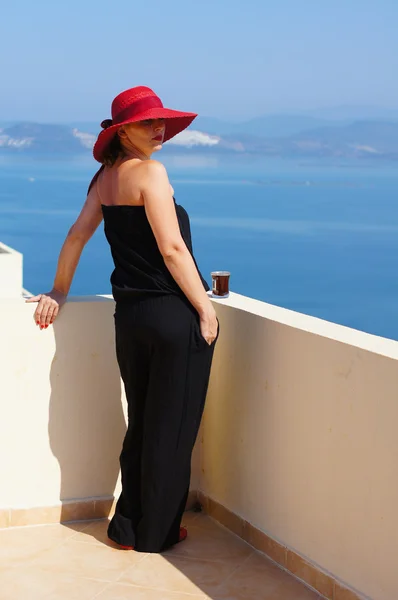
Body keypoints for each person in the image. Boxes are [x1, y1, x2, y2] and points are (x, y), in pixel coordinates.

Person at [26, 85, 220, 553]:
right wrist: (205, 307)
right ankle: (159, 533)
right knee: (172, 428)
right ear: (122, 130)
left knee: (143, 422)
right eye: (149, 123)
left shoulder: (104, 178)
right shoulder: (151, 174)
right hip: (173, 317)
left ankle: (127, 527)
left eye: (161, 124)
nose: (159, 131)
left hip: (130, 320)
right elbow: (173, 249)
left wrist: (58, 289)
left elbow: (77, 235)